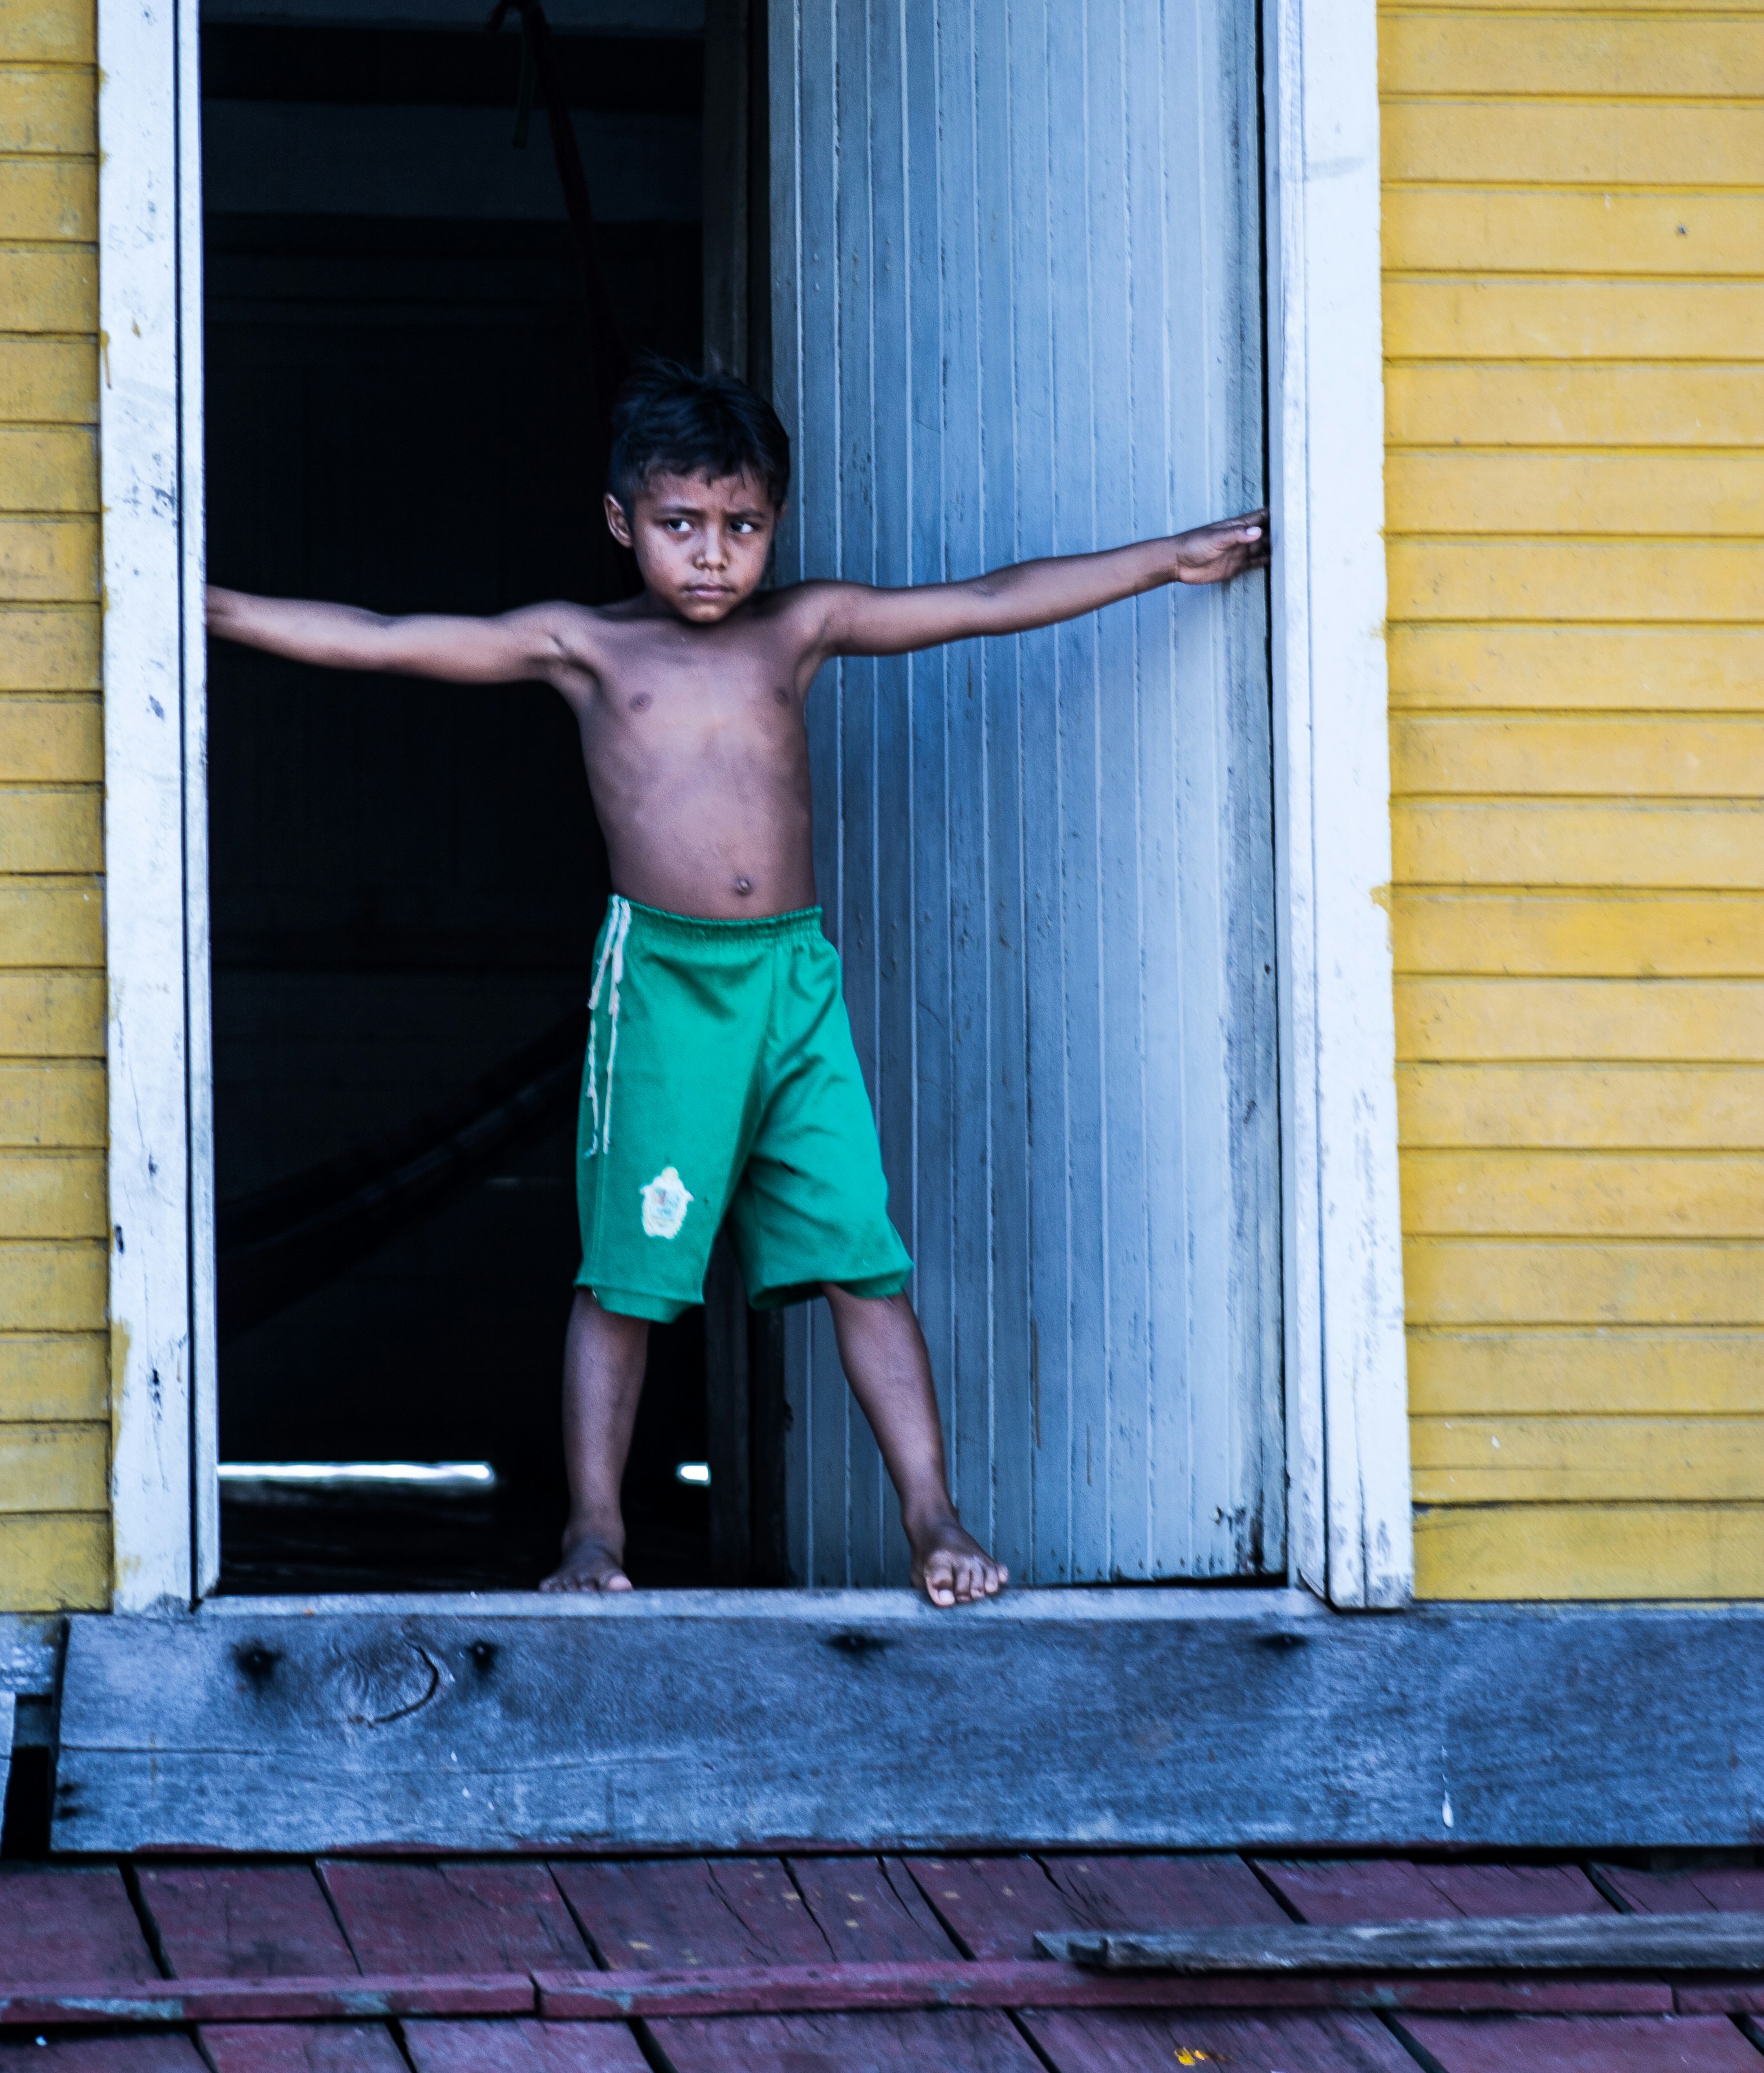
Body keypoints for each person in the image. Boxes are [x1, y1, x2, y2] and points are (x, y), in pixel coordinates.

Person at [204, 358, 1268, 1607]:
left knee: (861, 1258)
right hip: (662, 990)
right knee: (628, 1273)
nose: (712, 556)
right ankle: (593, 1533)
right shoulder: (583, 644)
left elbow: (986, 598)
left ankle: (934, 1519)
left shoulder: (797, 628)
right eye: (680, 525)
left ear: (774, 524)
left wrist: (1167, 559)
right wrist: (209, 608)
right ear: (621, 522)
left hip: (791, 986)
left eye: (742, 526)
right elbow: (387, 642)